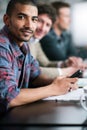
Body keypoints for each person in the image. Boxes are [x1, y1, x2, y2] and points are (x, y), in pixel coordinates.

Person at [0, 0, 78, 112]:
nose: (29, 25)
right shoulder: (2, 46)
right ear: (7, 20)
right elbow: (9, 96)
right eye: (21, 17)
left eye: (34, 19)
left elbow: (35, 76)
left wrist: (61, 82)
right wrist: (54, 88)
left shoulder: (24, 46)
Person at [29, 3, 86, 78]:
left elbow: (46, 64)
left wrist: (65, 64)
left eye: (47, 25)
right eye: (40, 21)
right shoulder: (27, 40)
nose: (43, 28)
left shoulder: (35, 41)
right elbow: (30, 70)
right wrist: (65, 71)